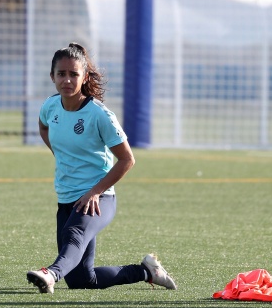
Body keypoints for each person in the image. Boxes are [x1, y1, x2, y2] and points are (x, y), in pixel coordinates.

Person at [26, 43, 177, 294]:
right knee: (82, 281)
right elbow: (43, 127)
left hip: (99, 197)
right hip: (66, 196)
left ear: (84, 77)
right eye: (61, 74)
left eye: (74, 74)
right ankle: (146, 271)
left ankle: (50, 274)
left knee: (74, 235)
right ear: (52, 76)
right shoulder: (50, 107)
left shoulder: (99, 115)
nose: (67, 79)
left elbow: (127, 159)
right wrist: (60, 154)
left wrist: (95, 191)